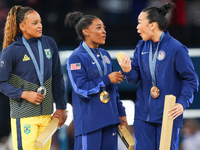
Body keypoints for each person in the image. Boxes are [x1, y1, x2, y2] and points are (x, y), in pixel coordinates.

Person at [117, 1, 199, 150]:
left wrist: (182, 103)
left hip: (168, 114)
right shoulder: (141, 46)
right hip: (143, 115)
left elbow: (191, 80)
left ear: (152, 25)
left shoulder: (176, 48)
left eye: (140, 22)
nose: (137, 27)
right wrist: (127, 70)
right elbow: (134, 78)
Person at [0, 5, 67, 150]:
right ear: (22, 26)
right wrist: (23, 94)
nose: (40, 26)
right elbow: (1, 82)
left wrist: (61, 107)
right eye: (35, 23)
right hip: (24, 116)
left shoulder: (49, 43)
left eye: (40, 22)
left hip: (46, 116)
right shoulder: (11, 50)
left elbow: (57, 77)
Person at [65, 11, 128, 150]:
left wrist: (121, 112)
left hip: (110, 120)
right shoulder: (76, 58)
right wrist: (107, 79)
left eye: (104, 28)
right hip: (90, 123)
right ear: (86, 32)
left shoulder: (105, 55)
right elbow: (81, 88)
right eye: (99, 27)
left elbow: (113, 88)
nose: (104, 31)